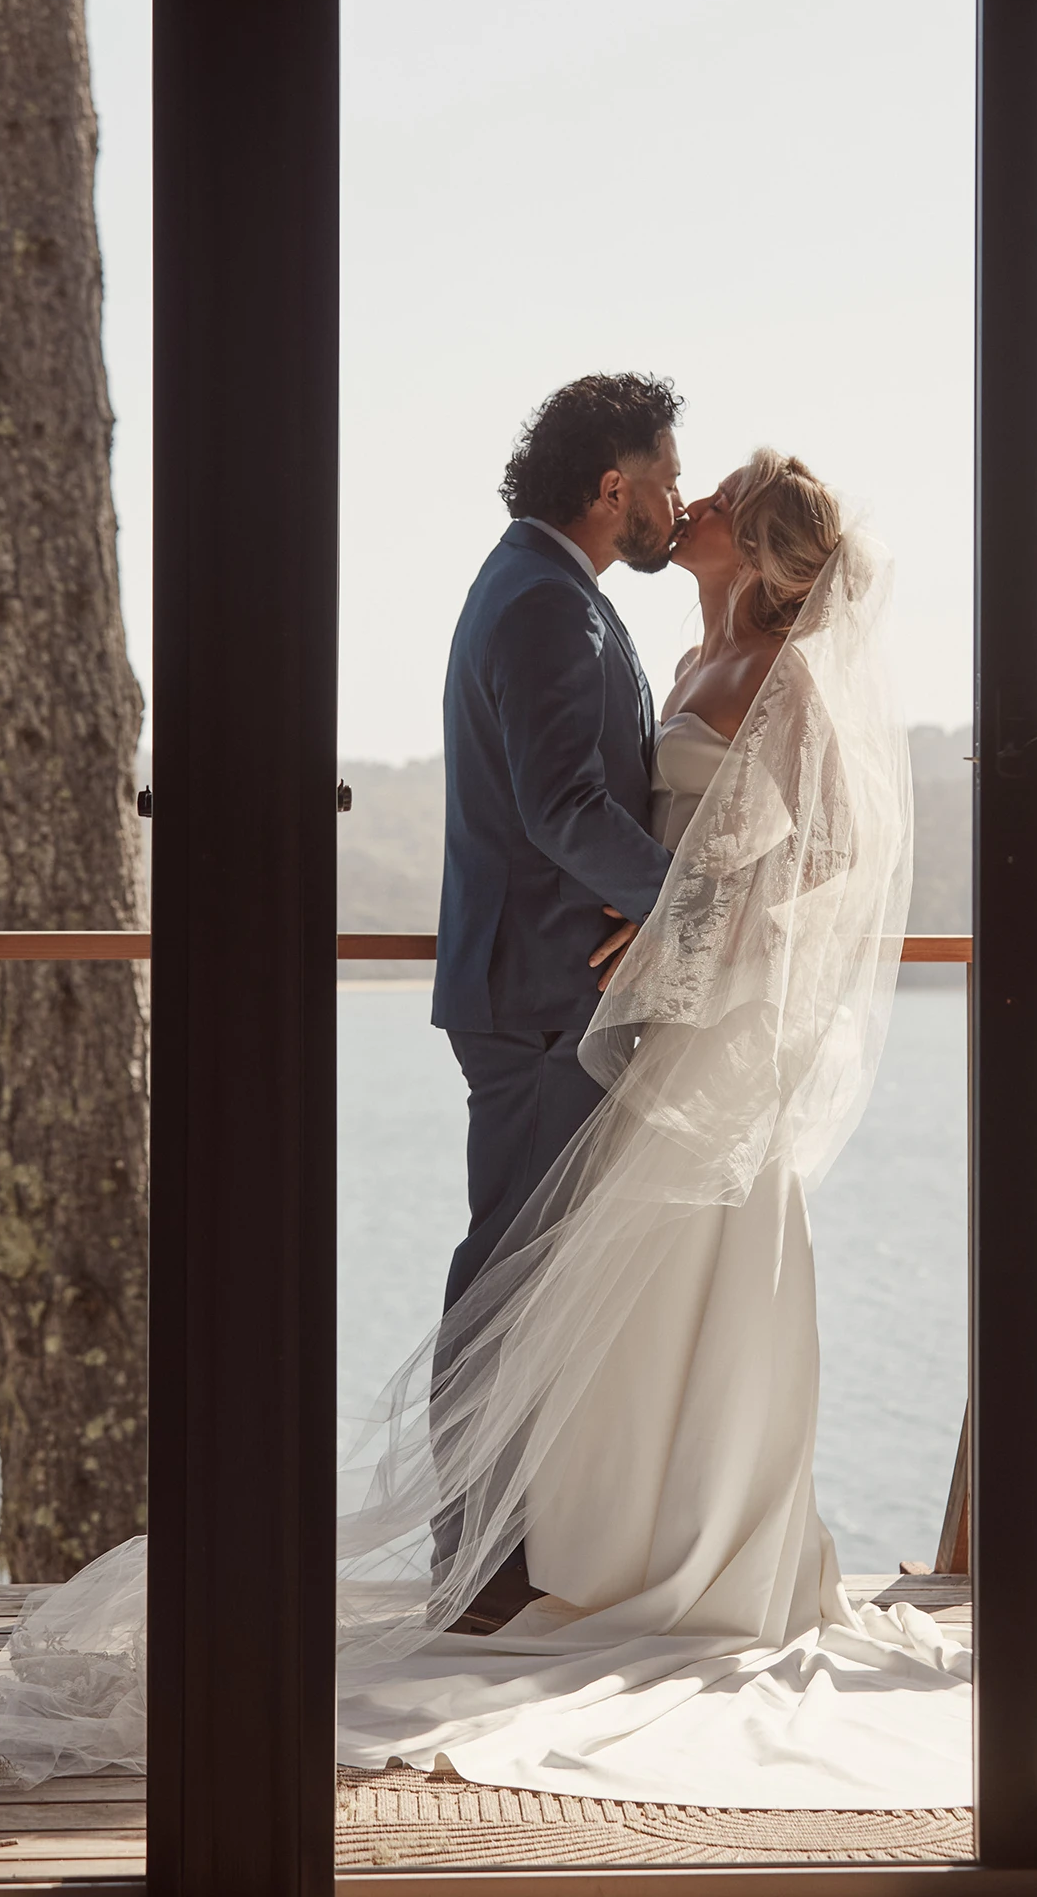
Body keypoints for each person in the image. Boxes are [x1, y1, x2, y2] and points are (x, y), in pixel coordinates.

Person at [0, 454, 1037, 1805]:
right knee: (601, 1291)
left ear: (749, 548)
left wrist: (680, 926)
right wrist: (667, 911)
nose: (686, 508)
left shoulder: (789, 681)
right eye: (683, 489)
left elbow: (818, 865)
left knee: (678, 1283)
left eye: (713, 499)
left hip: (709, 1038)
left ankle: (683, 1560)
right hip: (638, 1036)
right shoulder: (676, 652)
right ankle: (594, 1557)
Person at [430, 371, 685, 1630]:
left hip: (532, 984)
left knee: (519, 1273)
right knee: (504, 1282)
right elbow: (561, 808)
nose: (675, 504)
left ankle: (499, 1553)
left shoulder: (537, 584)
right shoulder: (543, 600)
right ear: (611, 487)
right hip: (535, 996)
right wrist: (692, 895)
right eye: (666, 480)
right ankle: (479, 1572)